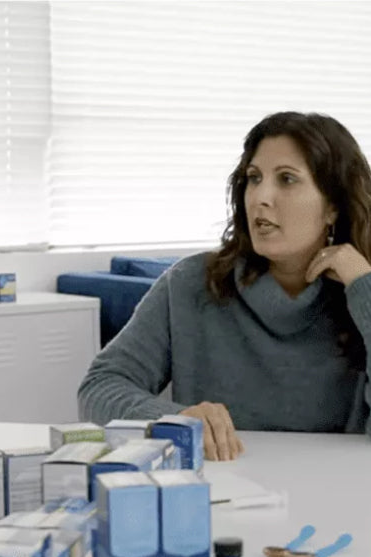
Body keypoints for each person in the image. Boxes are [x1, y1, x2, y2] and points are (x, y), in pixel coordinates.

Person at [78, 111, 371, 461]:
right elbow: (99, 387)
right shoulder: (191, 282)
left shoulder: (361, 289)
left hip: (342, 492)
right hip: (224, 491)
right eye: (254, 178)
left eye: (287, 179)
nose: (261, 197)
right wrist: (169, 418)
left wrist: (364, 287)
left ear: (333, 207)